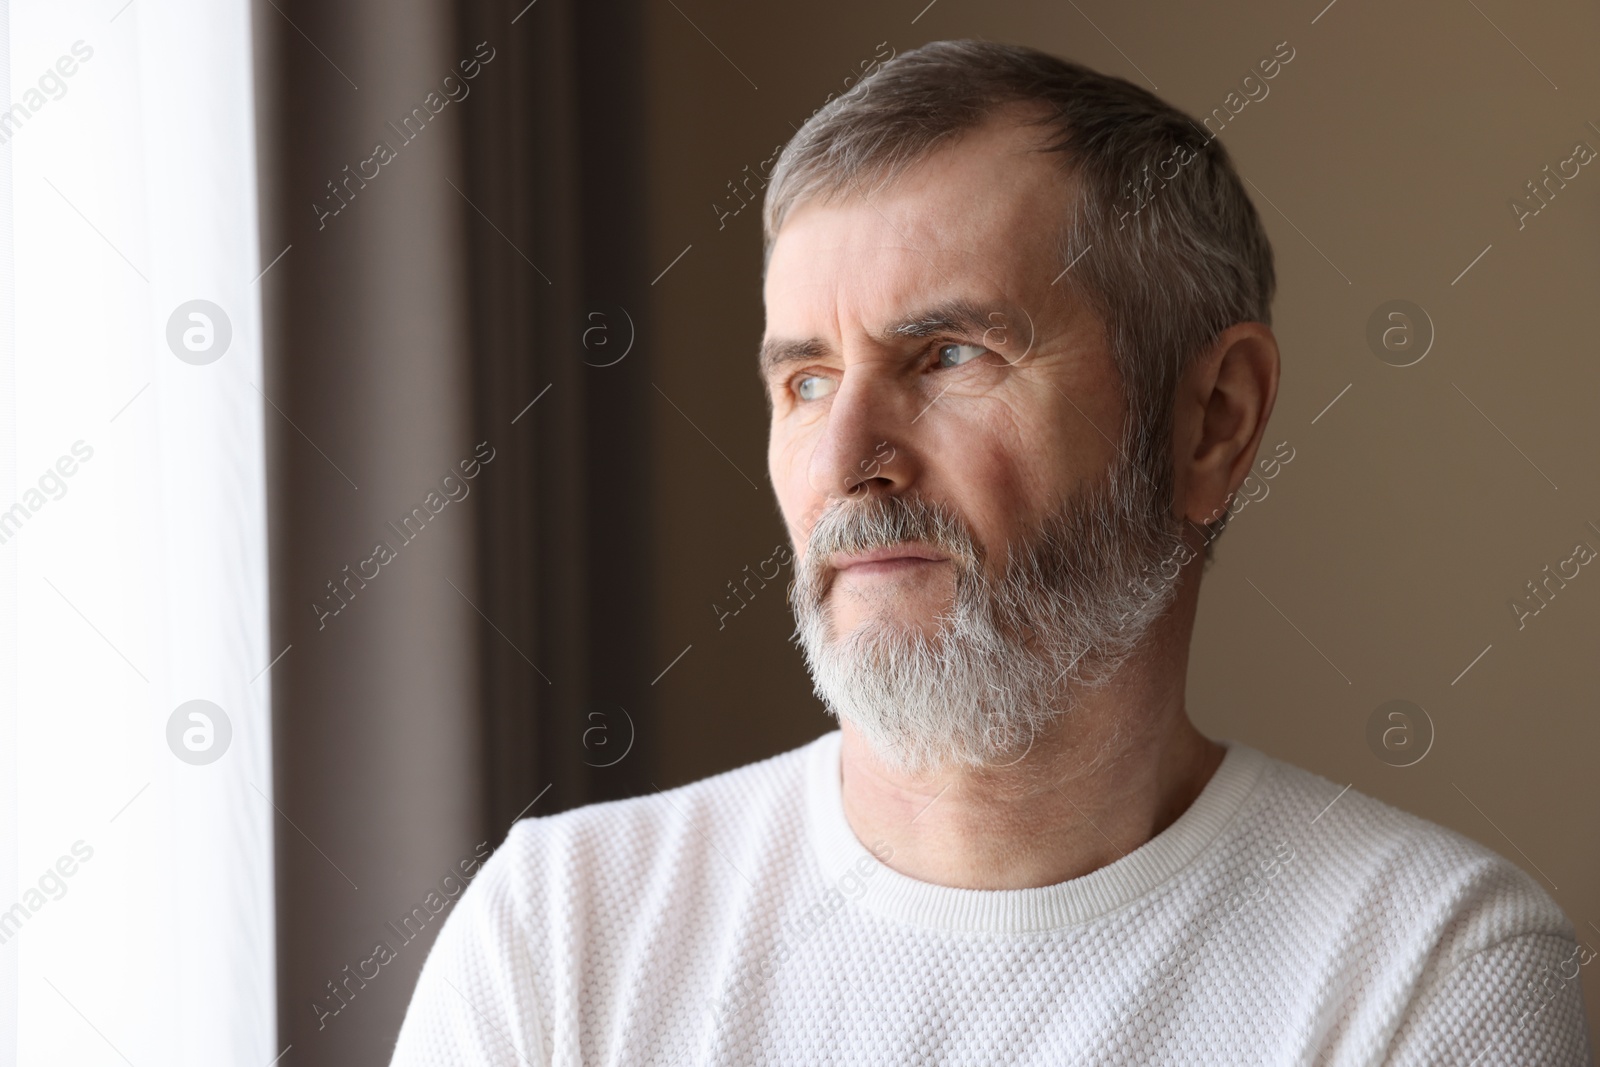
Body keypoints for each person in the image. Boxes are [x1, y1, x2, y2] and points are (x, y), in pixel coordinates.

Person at [389, 40, 1593, 1065]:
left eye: (951, 355)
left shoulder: (1427, 968)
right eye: (805, 379)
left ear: (1211, 419)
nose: (847, 455)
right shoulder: (560, 930)